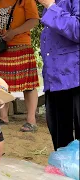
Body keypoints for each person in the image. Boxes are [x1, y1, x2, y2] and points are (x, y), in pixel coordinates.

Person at [0, 0, 39, 131]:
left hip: (21, 46)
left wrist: (14, 32)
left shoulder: (26, 1)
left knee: (29, 84)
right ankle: (3, 118)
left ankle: (31, 121)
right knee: (0, 85)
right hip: (1, 48)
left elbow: (34, 20)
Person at [38, 0, 80, 150]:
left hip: (75, 77)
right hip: (54, 80)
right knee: (60, 143)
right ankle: (63, 171)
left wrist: (50, 6)